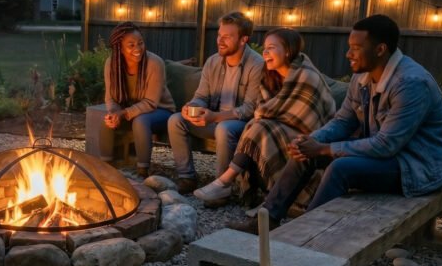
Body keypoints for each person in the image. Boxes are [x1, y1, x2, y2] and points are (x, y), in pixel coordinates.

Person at [228, 15, 442, 234]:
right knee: (303, 152)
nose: (348, 54)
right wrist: (312, 141)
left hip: (417, 166)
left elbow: (386, 145)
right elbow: (343, 121)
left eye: (356, 48)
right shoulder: (362, 76)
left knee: (341, 168)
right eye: (349, 47)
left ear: (380, 49)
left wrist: (325, 149)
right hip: (386, 156)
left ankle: (304, 235)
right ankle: (267, 221)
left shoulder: (410, 84)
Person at [194, 28, 336, 206]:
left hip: (313, 138)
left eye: (271, 48)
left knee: (259, 126)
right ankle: (234, 186)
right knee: (257, 126)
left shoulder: (307, 76)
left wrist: (264, 117)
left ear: (288, 51)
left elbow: (300, 116)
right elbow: (267, 110)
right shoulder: (270, 75)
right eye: (264, 48)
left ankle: (225, 182)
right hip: (278, 131)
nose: (265, 53)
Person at [168, 11, 265, 194]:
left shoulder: (257, 64)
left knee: (224, 128)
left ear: (243, 40)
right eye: (219, 35)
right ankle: (187, 177)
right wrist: (192, 106)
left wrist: (215, 117)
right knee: (176, 120)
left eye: (227, 37)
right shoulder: (213, 62)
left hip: (241, 125)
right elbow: (201, 96)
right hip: (213, 120)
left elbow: (250, 108)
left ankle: (222, 187)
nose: (220, 41)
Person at [99, 22, 176, 178]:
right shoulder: (111, 64)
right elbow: (110, 97)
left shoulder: (154, 63)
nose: (138, 48)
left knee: (141, 121)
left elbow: (151, 102)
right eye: (131, 45)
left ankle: (142, 171)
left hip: (160, 110)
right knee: (106, 121)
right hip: (130, 110)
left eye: (140, 43)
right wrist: (113, 113)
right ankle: (106, 168)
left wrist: (123, 113)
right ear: (119, 48)